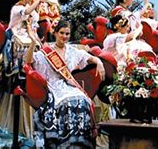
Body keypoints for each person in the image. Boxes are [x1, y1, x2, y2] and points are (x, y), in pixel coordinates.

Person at [26, 20, 105, 148]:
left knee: (83, 100)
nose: (65, 36)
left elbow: (90, 58)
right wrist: (33, 42)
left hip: (69, 85)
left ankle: (80, 142)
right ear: (55, 33)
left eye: (67, 34)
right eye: (62, 33)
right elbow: (29, 60)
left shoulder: (72, 51)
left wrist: (99, 63)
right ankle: (64, 142)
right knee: (67, 102)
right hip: (54, 86)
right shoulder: (46, 52)